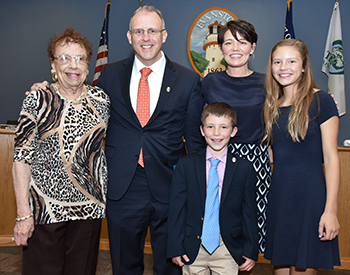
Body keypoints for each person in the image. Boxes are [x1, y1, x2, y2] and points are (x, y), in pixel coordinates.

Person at [97, 5, 203, 275]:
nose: (146, 37)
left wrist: (196, 188)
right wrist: (48, 90)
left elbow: (195, 140)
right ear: (129, 36)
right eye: (139, 31)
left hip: (171, 186)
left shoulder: (188, 80)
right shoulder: (109, 75)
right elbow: (89, 120)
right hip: (123, 187)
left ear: (164, 35)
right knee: (124, 264)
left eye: (152, 30)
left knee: (170, 266)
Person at [12, 28, 110, 275]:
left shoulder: (102, 101)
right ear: (53, 65)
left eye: (80, 58)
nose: (73, 65)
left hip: (89, 209)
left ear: (88, 66)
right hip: (45, 211)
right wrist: (23, 214)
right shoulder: (37, 99)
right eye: (64, 58)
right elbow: (21, 158)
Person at [263, 39, 340, 274]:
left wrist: (330, 211)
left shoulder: (322, 101)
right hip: (280, 197)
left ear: (304, 66)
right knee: (280, 269)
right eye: (277, 61)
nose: (283, 67)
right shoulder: (271, 107)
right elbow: (274, 156)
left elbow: (332, 157)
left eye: (291, 61)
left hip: (310, 198)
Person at [201, 19, 269, 255]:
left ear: (253, 47)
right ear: (221, 49)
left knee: (250, 227)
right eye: (229, 42)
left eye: (242, 42)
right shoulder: (209, 82)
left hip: (256, 161)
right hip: (219, 158)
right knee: (220, 225)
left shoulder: (267, 83)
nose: (235, 48)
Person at [167, 102, 258, 275]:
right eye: (210, 127)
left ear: (233, 131)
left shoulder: (244, 167)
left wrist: (251, 249)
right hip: (192, 248)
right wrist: (175, 247)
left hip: (227, 248)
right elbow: (177, 209)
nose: (216, 133)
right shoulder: (186, 164)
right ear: (202, 131)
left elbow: (249, 212)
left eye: (223, 127)